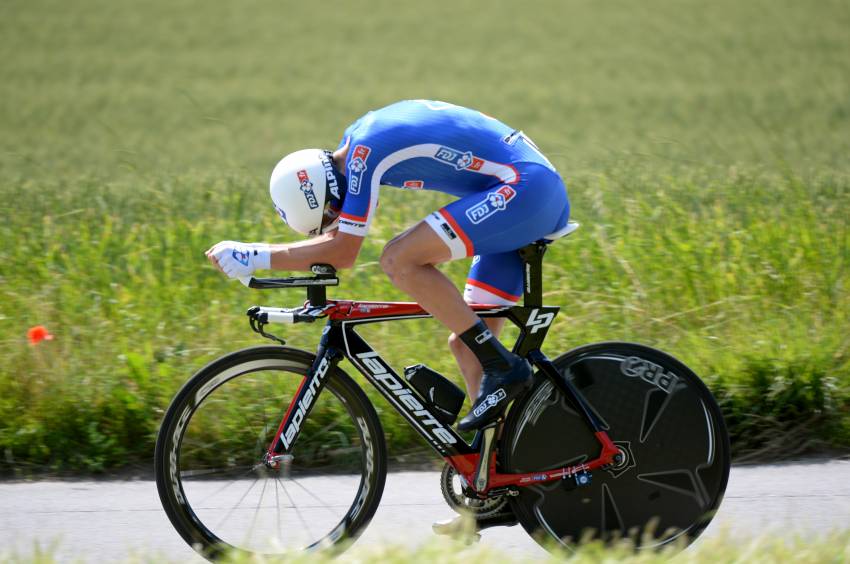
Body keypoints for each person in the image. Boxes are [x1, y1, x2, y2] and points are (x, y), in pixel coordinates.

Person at [206, 99, 570, 433]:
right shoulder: (356, 142)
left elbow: (343, 252)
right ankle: (497, 480)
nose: (338, 221)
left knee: (399, 260)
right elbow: (339, 243)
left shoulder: (363, 153)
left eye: (331, 215)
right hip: (523, 192)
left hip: (526, 189)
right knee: (467, 347)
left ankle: (503, 366)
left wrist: (256, 255)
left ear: (328, 191)